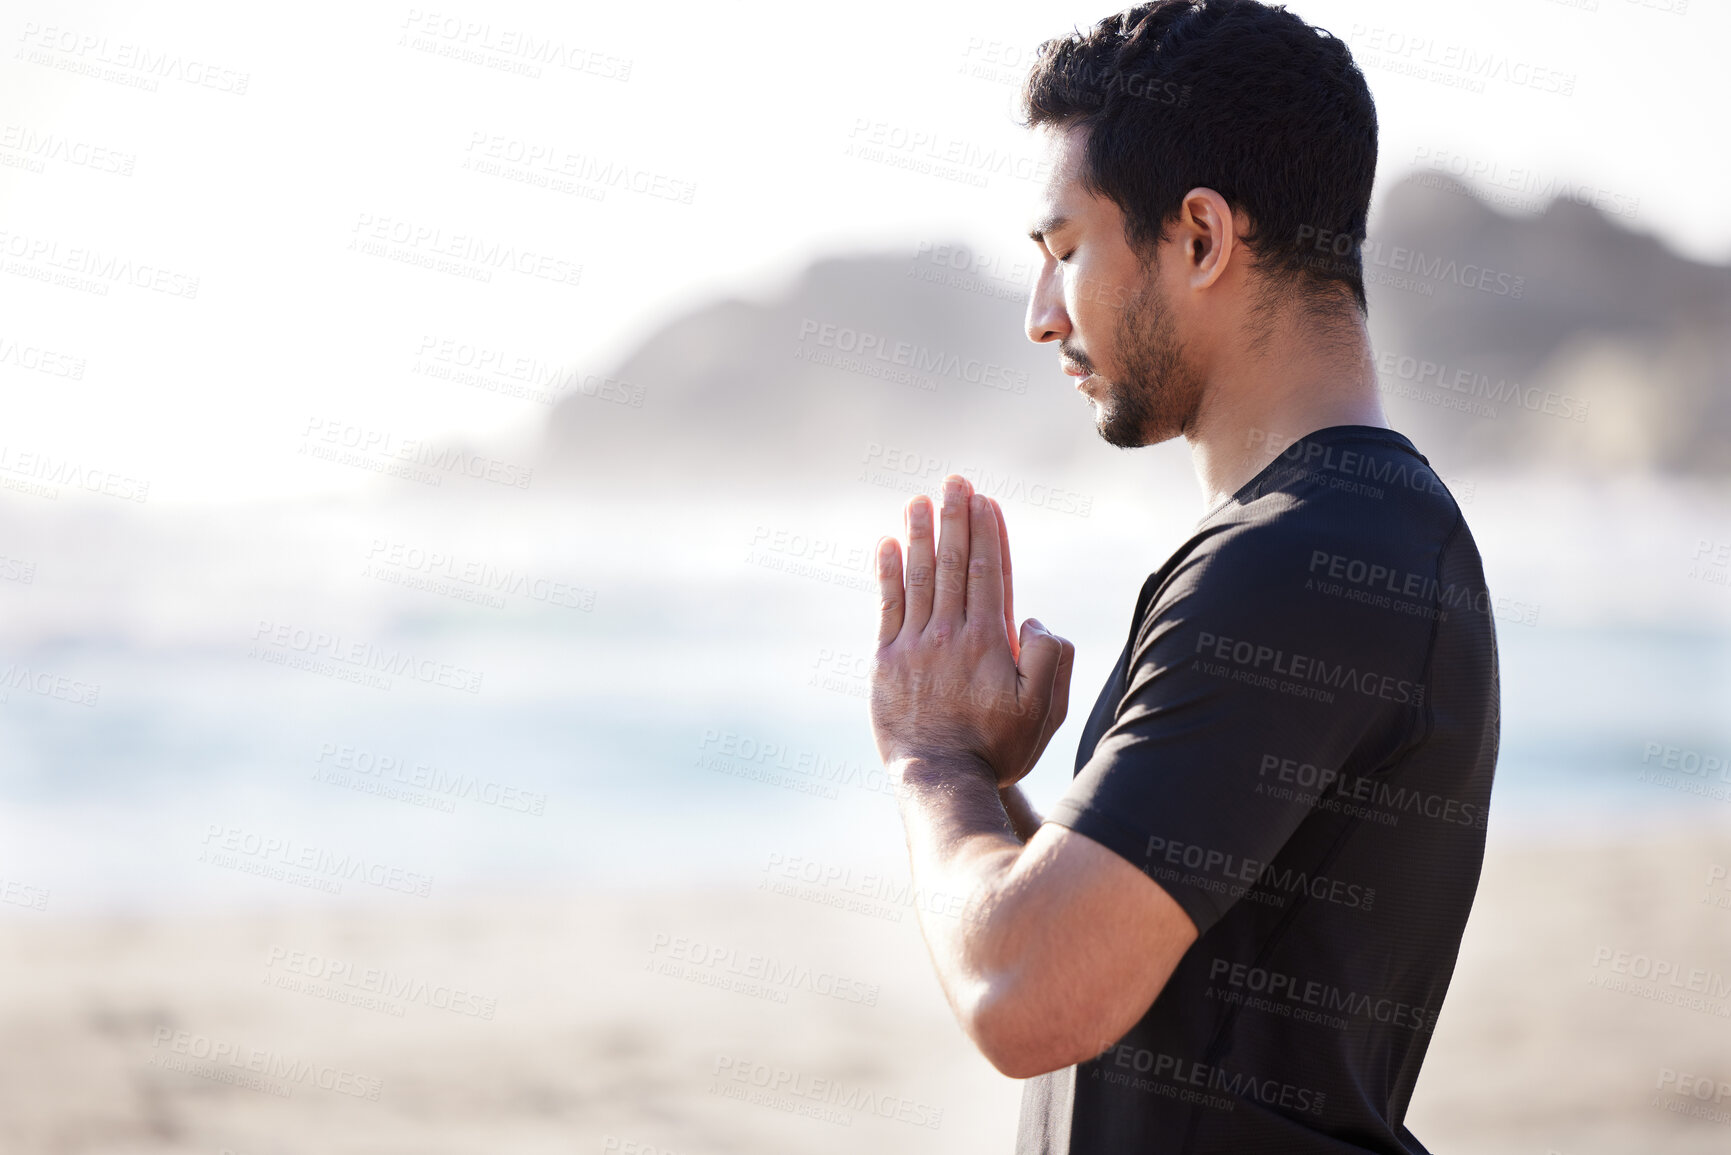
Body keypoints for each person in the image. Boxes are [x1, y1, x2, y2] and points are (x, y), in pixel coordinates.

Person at [865, 2, 1500, 1151]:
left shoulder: (1304, 559)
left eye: (1065, 250)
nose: (1040, 316)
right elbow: (1163, 982)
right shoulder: (1342, 537)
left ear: (1200, 238)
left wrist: (929, 756)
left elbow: (1028, 993)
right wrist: (1004, 803)